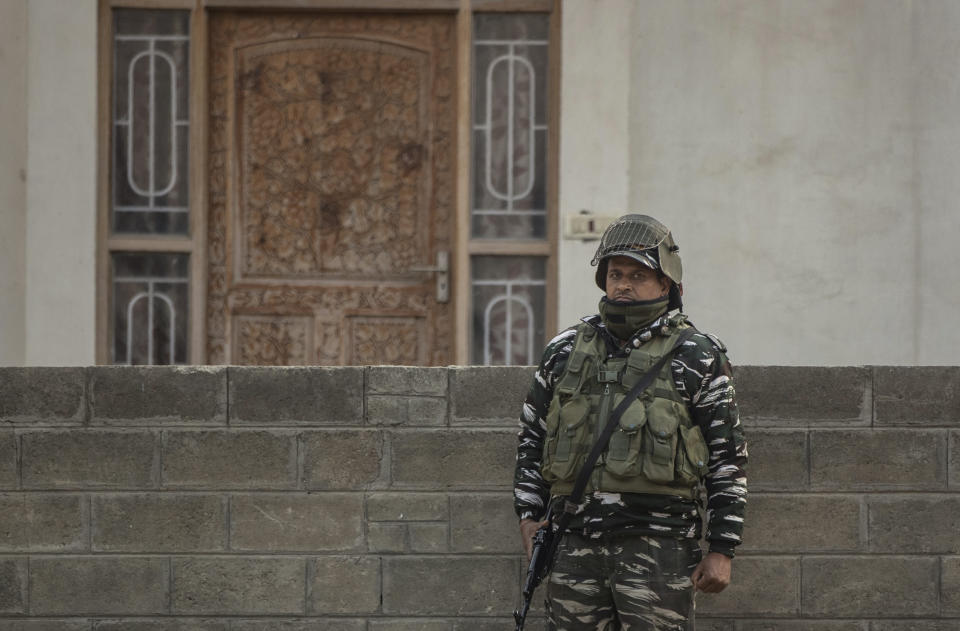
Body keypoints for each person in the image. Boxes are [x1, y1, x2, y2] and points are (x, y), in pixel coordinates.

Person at [513, 214, 748, 630]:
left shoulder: (696, 355)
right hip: (574, 541)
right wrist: (529, 516)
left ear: (666, 285)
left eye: (639, 275)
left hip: (660, 547)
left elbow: (727, 459)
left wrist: (722, 548)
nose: (623, 284)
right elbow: (532, 437)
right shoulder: (564, 351)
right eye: (615, 274)